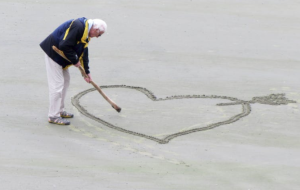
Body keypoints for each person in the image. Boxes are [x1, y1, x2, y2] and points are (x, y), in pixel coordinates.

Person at [40, 17, 107, 125]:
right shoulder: (78, 26)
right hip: (53, 54)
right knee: (57, 86)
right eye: (99, 34)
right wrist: (75, 61)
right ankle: (53, 116)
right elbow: (64, 45)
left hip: (61, 59)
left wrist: (86, 72)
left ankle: (60, 110)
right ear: (95, 30)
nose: (98, 37)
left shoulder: (86, 33)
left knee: (65, 82)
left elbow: (83, 52)